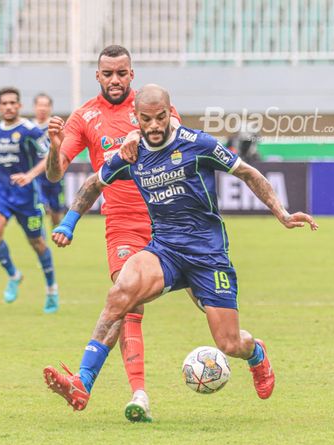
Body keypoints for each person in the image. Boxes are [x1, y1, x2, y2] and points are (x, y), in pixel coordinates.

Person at [43, 84, 318, 414]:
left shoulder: (197, 144)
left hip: (207, 255)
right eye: (147, 119)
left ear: (169, 112)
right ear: (137, 118)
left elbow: (247, 172)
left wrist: (282, 213)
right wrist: (68, 222)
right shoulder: (130, 153)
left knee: (229, 343)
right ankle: (82, 383)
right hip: (166, 250)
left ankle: (256, 353)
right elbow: (93, 184)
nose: (155, 126)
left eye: (161, 117)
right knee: (120, 294)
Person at [43, 45, 184, 422]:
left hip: (171, 220)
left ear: (131, 74)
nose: (115, 80)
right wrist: (55, 147)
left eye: (122, 73)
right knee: (126, 301)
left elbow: (183, 155)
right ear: (98, 76)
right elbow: (56, 173)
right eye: (108, 74)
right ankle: (135, 393)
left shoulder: (153, 110)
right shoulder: (85, 116)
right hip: (122, 223)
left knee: (215, 314)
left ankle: (251, 352)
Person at [0, 87, 58, 313]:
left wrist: (30, 175)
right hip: (1, 193)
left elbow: (48, 156)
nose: (9, 106)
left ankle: (51, 289)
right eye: (5, 103)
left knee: (37, 244)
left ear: (19, 106)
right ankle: (14, 274)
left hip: (27, 197)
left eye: (13, 103)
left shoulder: (29, 130)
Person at [27, 93, 66, 228]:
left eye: (45, 105)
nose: (42, 108)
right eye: (40, 105)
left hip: (54, 173)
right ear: (34, 107)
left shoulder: (56, 127)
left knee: (56, 210)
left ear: (50, 108)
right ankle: (39, 234)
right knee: (39, 204)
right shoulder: (28, 127)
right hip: (36, 174)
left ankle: (56, 229)